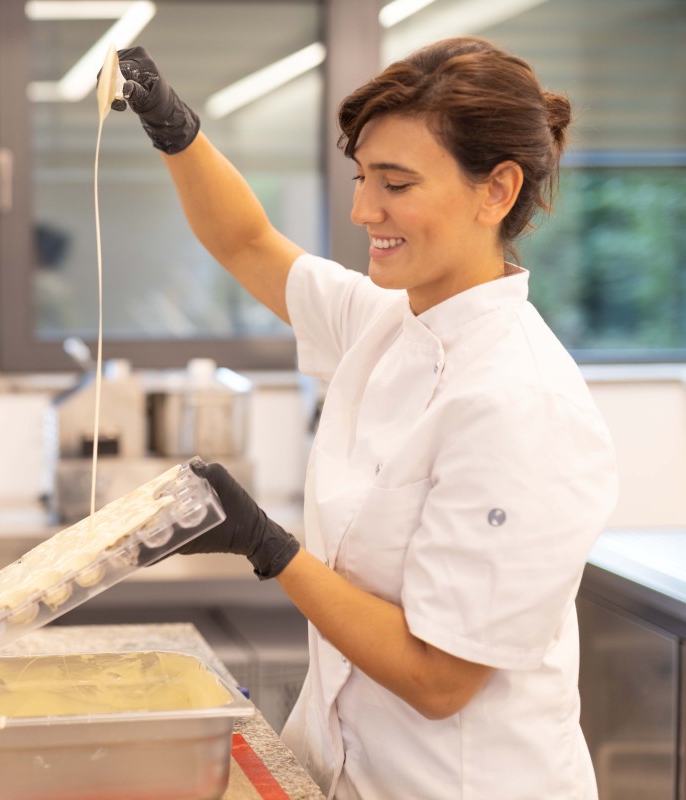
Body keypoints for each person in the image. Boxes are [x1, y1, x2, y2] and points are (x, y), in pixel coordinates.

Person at [111, 37, 618, 799]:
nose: (361, 209)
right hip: (344, 773)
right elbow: (247, 241)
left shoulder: (521, 403)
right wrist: (173, 128)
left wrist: (268, 546)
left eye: (396, 183)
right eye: (360, 177)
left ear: (497, 191)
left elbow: (439, 678)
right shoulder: (388, 322)